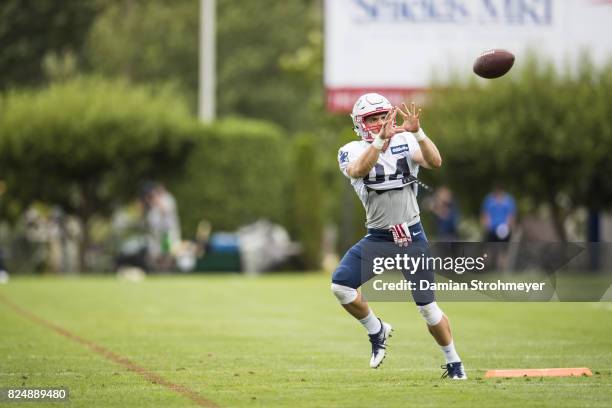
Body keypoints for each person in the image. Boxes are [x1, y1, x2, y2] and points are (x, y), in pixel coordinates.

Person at [332, 93, 466, 379]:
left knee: (428, 308)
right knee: (341, 287)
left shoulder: (406, 141)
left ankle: (454, 363)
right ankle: (376, 329)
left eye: (383, 116)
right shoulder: (351, 149)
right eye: (373, 119)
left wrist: (418, 132)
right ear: (360, 124)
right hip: (378, 238)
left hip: (412, 236)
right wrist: (380, 141)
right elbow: (359, 169)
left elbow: (434, 161)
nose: (380, 122)